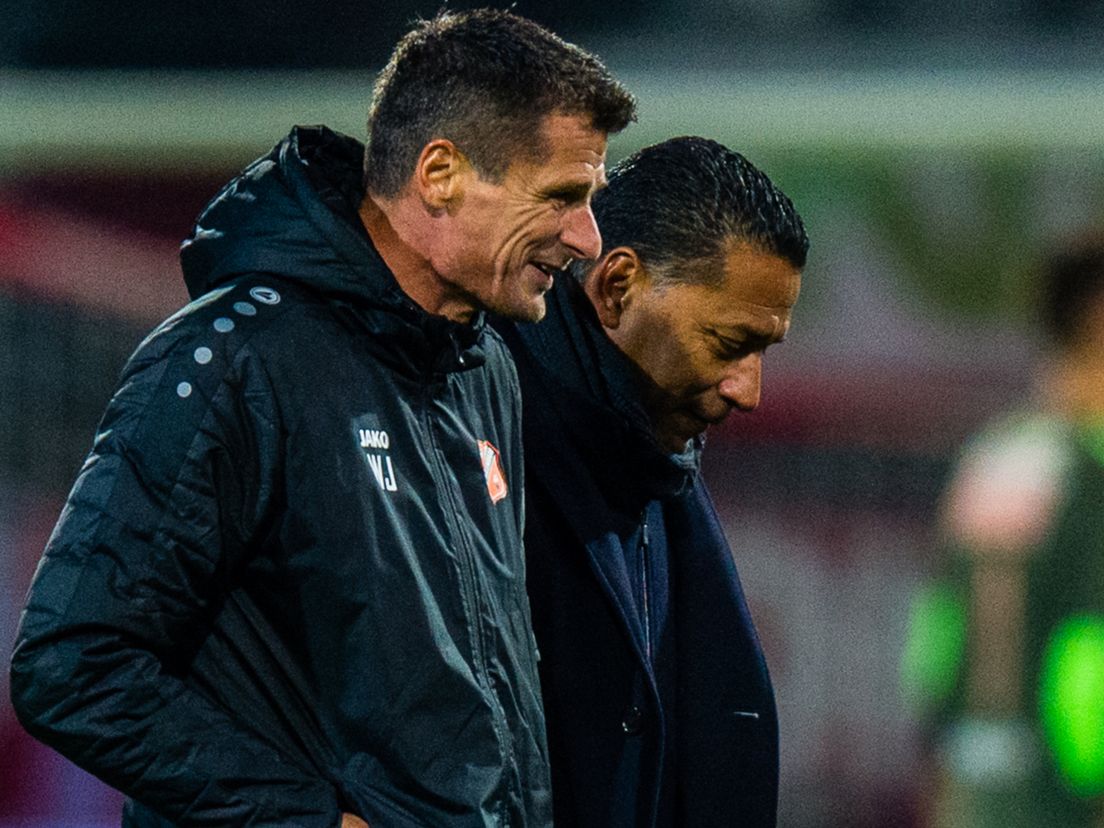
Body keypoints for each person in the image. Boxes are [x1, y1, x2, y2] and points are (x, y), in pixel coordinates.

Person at [9, 9, 635, 827]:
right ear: (440, 173)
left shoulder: (484, 371)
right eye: (562, 196)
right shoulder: (235, 360)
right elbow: (72, 663)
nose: (586, 237)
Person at [493, 137, 809, 827]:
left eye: (765, 350)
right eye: (730, 345)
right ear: (616, 286)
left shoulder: (649, 467)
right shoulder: (482, 445)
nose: (749, 391)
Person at [901, 233, 1104, 827]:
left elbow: (933, 642)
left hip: (973, 795)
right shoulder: (1091, 469)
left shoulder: (990, 459)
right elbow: (1087, 658)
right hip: (1062, 801)